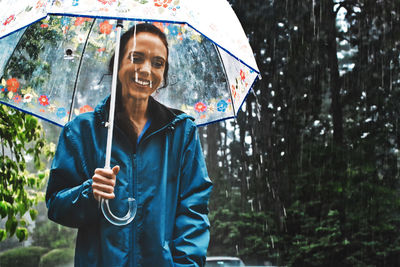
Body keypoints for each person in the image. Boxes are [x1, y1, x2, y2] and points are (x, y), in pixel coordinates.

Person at [45, 23, 213, 267]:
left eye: (158, 63)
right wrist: (89, 192)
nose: (146, 70)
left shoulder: (182, 133)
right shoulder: (81, 132)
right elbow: (56, 205)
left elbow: (193, 211)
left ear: (164, 74)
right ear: (117, 65)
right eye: (136, 58)